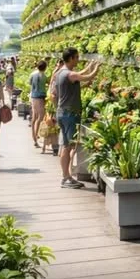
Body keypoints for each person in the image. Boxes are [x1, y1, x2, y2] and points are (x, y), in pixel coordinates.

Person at [54, 48, 100, 188]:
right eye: (77, 57)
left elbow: (80, 74)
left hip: (63, 113)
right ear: (72, 58)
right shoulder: (69, 74)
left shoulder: (60, 72)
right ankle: (66, 177)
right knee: (67, 147)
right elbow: (87, 76)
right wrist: (96, 68)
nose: (78, 59)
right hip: (69, 115)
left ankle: (66, 176)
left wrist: (90, 65)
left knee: (65, 145)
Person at [29, 60, 48, 148]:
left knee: (34, 117)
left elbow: (30, 83)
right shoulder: (43, 76)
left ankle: (34, 136)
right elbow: (46, 83)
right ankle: (36, 138)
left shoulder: (32, 74)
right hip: (41, 97)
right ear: (45, 67)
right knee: (40, 117)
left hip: (33, 96)